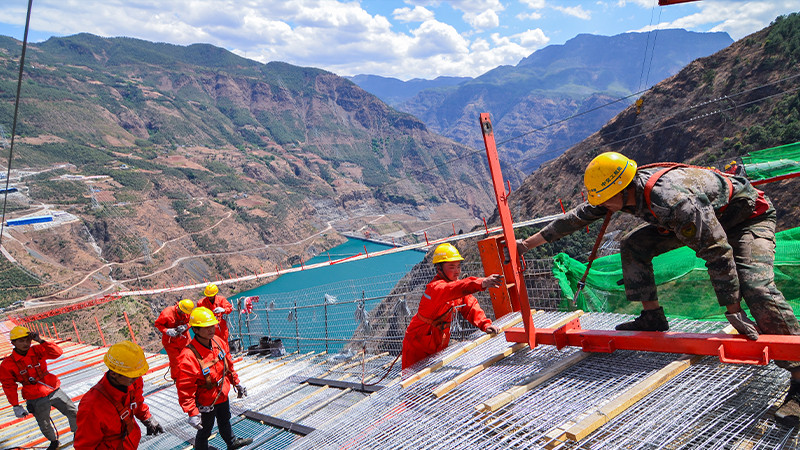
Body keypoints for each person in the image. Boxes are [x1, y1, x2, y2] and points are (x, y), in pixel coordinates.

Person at [515, 151, 800, 426]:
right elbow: (575, 218)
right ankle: (653, 316)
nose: (604, 206)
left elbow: (716, 249)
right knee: (634, 244)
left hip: (747, 219)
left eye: (605, 200)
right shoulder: (618, 192)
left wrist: (732, 309)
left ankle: (799, 376)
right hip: (705, 221)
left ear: (622, 188)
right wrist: (526, 245)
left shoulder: (671, 200)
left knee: (756, 285)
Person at [401, 243, 503, 370]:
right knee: (412, 381)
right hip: (418, 344)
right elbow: (455, 289)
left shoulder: (453, 287)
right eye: (452, 267)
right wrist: (481, 282)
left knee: (431, 380)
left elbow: (470, 306)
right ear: (439, 268)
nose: (457, 271)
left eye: (458, 266)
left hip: (436, 340)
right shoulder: (436, 288)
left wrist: (485, 324)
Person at [176, 307, 252, 450]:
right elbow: (185, 388)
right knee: (205, 430)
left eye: (212, 325)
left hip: (221, 394)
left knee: (225, 420)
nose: (212, 329)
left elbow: (228, 365)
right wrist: (192, 412)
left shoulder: (218, 341)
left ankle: (232, 442)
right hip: (205, 400)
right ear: (196, 330)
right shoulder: (188, 356)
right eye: (206, 327)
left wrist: (237, 382)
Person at [74, 340, 163, 449]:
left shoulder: (133, 381)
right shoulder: (91, 406)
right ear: (114, 373)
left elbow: (137, 402)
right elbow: (85, 446)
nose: (137, 377)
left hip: (129, 441)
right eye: (133, 375)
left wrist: (147, 418)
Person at [0, 326, 78, 450]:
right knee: (44, 423)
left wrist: (40, 340)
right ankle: (53, 442)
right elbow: (9, 385)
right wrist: (15, 405)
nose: (26, 343)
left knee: (73, 411)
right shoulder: (7, 364)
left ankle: (78, 434)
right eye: (21, 341)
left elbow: (57, 353)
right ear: (13, 343)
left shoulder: (38, 350)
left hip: (52, 389)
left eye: (27, 340)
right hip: (34, 396)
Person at [155, 298, 195, 381]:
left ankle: (190, 376)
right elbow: (158, 324)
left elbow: (192, 321)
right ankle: (177, 379)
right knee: (175, 362)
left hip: (184, 339)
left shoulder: (188, 312)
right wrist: (167, 330)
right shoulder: (167, 313)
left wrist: (186, 326)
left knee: (188, 357)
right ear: (179, 308)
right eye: (183, 312)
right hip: (171, 342)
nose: (185, 314)